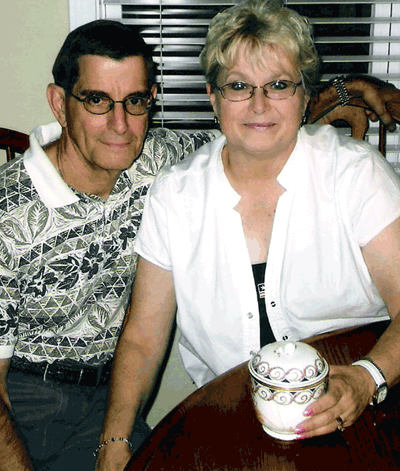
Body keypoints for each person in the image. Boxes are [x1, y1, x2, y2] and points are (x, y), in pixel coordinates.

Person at [97, 1, 400, 470]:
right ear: (213, 97)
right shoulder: (176, 195)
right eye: (239, 86)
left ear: (303, 95)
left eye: (278, 85)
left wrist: (366, 378)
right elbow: (142, 336)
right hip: (231, 425)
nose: (259, 105)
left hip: (367, 412)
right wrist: (114, 440)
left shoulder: (357, 177)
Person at [0, 20, 219, 471]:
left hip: (110, 394)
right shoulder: (8, 214)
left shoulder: (158, 160)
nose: (121, 126)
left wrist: (343, 91)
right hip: (21, 398)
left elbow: (254, 125)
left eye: (135, 101)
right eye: (97, 100)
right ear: (60, 104)